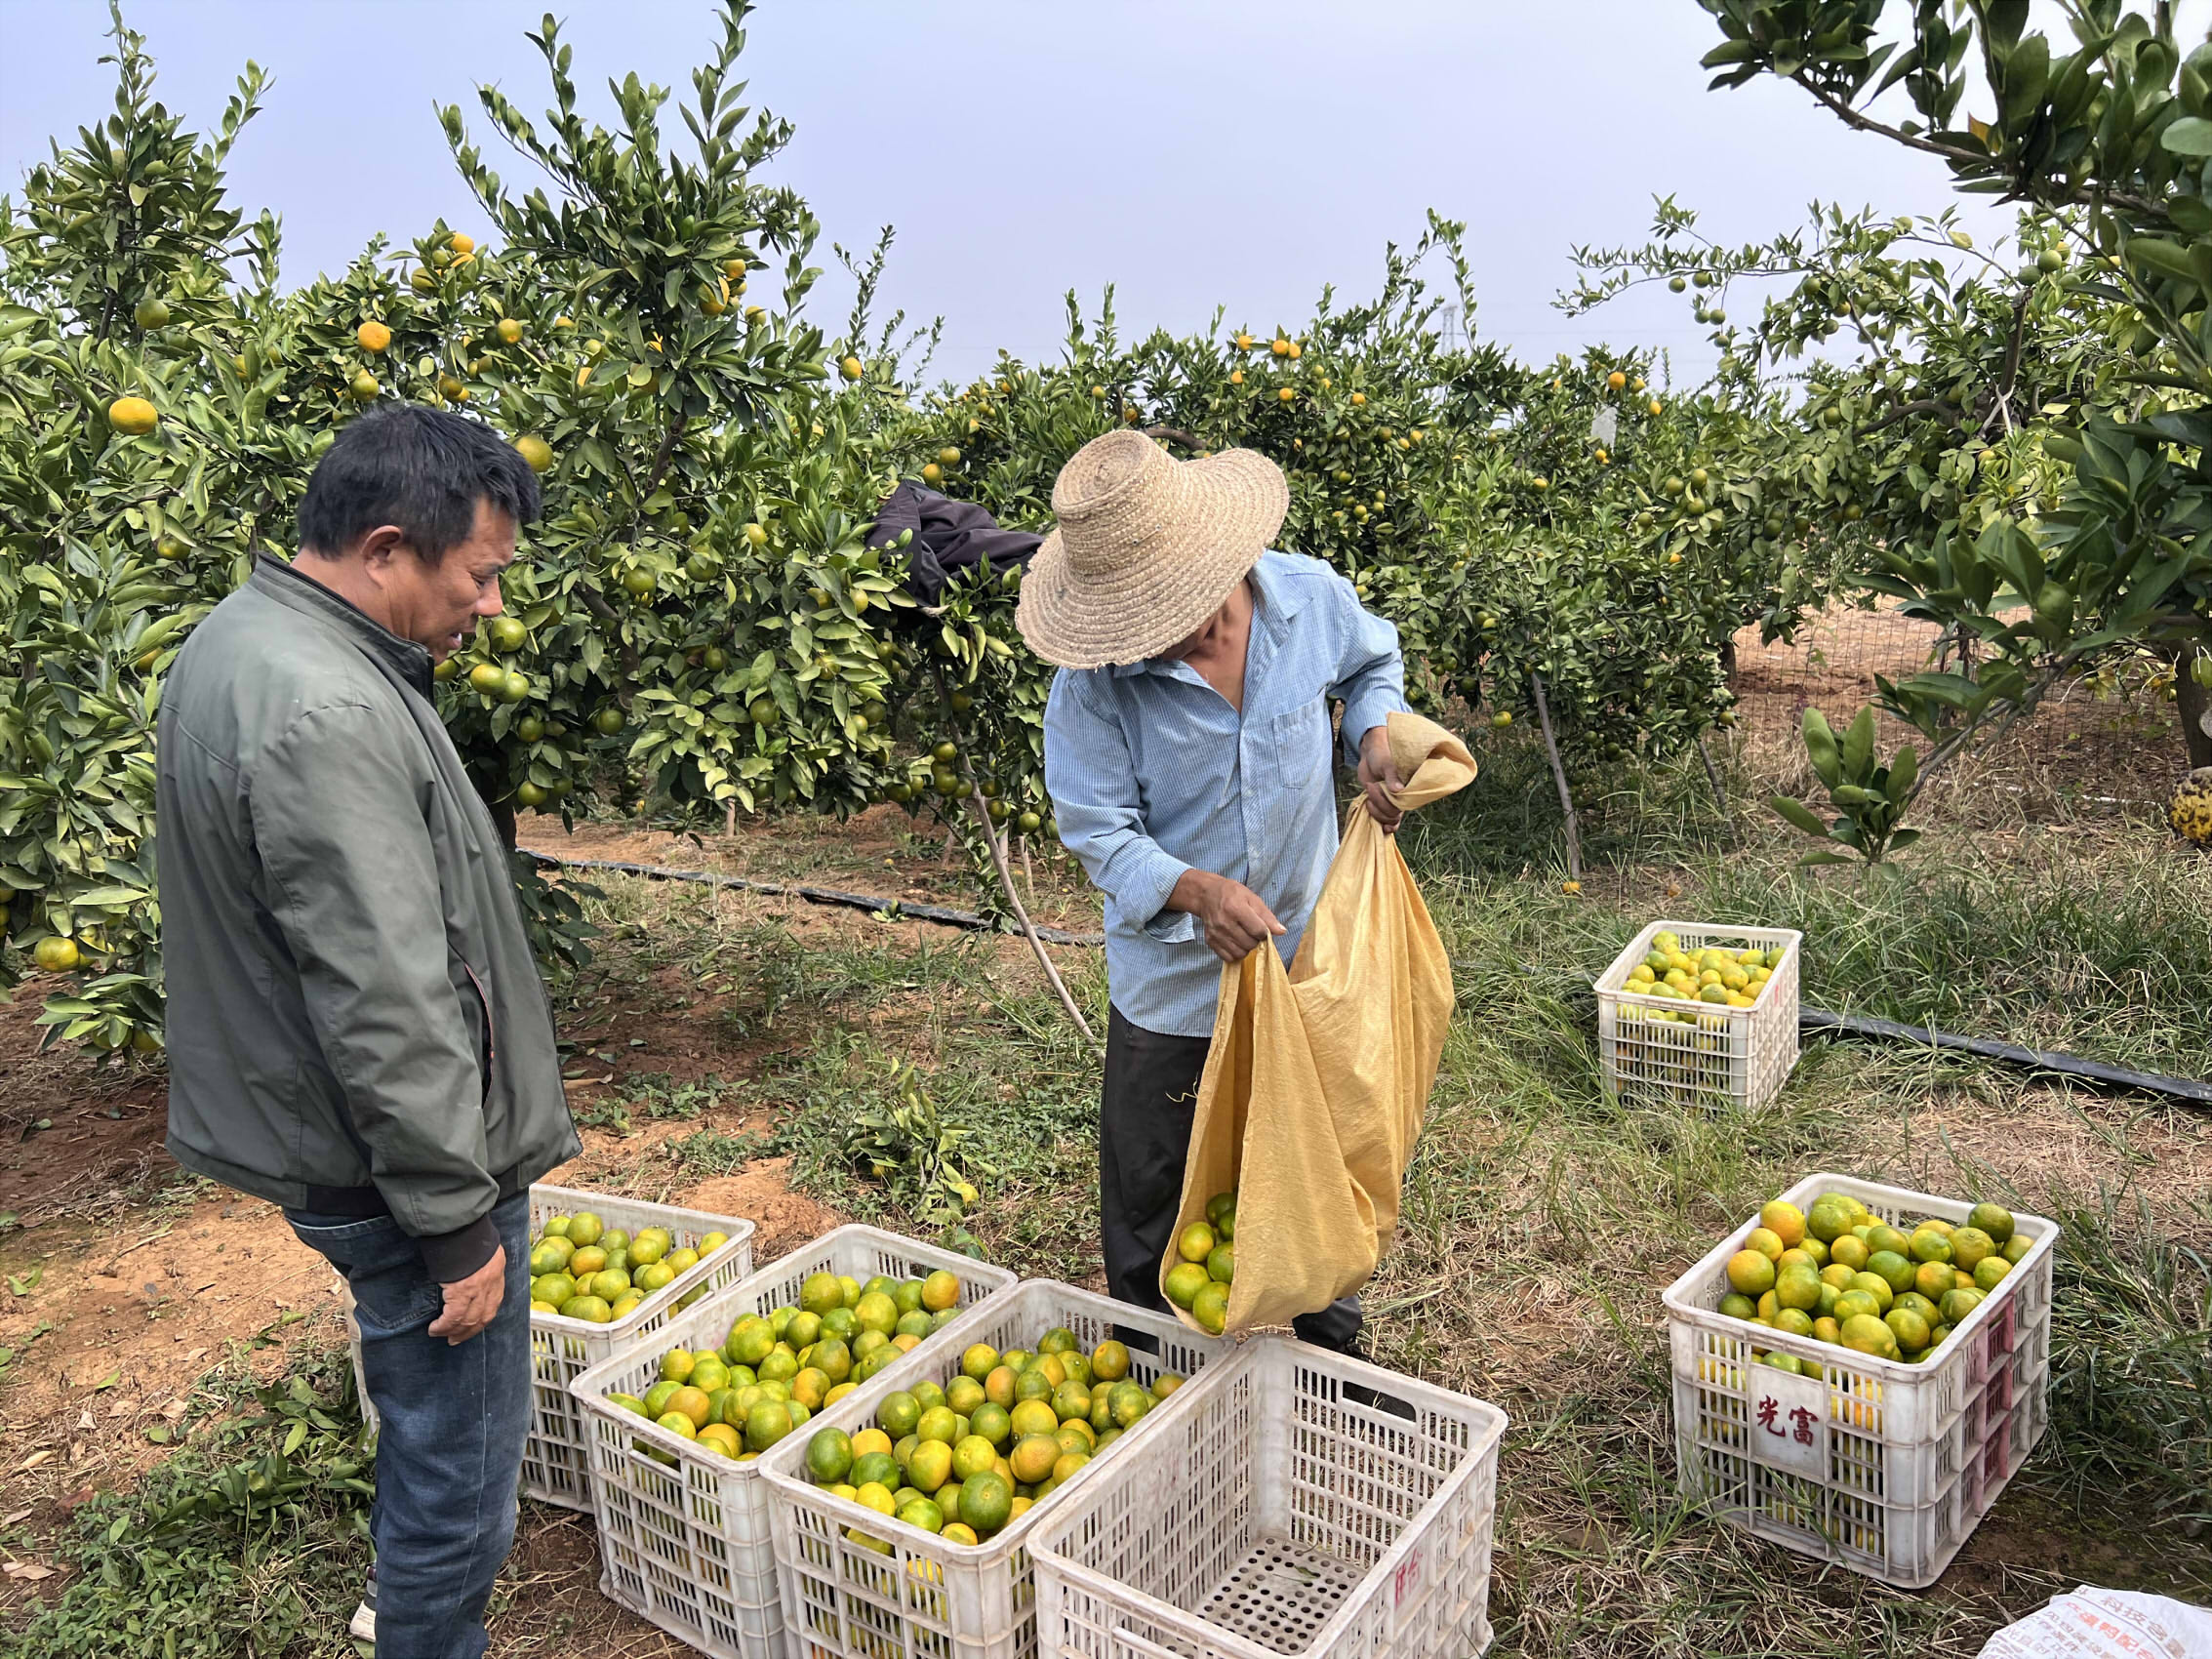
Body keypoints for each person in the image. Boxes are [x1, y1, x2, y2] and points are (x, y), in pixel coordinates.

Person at [155, 404, 581, 1659]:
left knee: (431, 1432)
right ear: (389, 545)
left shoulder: (250, 644)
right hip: (394, 1169)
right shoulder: (324, 709)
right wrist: (454, 1217)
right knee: (460, 1473)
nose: (491, 604)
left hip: (336, 1136)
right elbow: (385, 994)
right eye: (480, 573)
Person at [1016, 428, 1407, 1355]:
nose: (1171, 631)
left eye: (1182, 605)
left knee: (1312, 1166)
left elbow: (1370, 663)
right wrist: (1193, 890)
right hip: (1172, 984)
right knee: (1155, 1188)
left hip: (1301, 951)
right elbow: (1098, 828)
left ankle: (1326, 1358)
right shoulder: (1094, 688)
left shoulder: (1308, 601)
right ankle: (1150, 1369)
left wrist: (1373, 733)